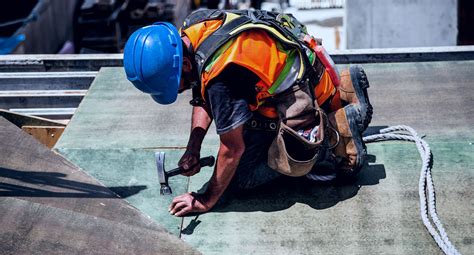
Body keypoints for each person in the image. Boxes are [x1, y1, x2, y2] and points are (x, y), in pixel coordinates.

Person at [123, 9, 372, 217]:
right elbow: (201, 91)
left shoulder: (223, 78)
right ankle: (346, 94)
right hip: (307, 69)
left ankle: (333, 134)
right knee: (238, 126)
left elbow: (232, 149)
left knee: (243, 178)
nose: (177, 92)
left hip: (301, 99)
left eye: (174, 85)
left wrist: (206, 199)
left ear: (184, 64)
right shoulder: (194, 27)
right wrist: (193, 147)